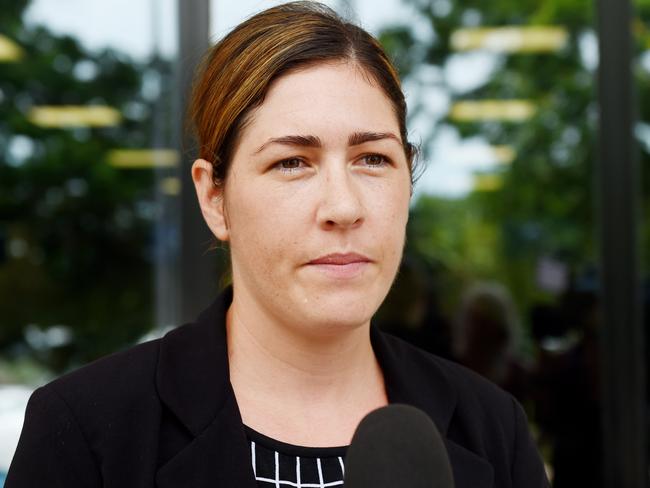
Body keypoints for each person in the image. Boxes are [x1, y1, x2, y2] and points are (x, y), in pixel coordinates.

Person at [6, 3, 548, 487]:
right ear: (214, 198)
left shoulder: (490, 427)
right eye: (292, 162)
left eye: (372, 159)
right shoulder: (86, 430)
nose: (343, 206)